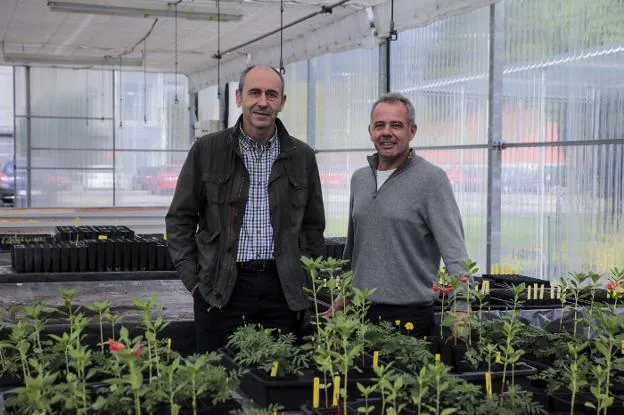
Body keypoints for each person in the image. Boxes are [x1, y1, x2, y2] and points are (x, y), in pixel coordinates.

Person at [166, 65, 326, 352]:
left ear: (282, 102)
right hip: (220, 288)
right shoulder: (207, 150)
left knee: (278, 374)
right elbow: (180, 219)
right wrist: (194, 282)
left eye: (271, 94)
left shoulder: (302, 157)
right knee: (218, 379)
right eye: (255, 92)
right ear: (239, 97)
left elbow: (313, 227)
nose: (263, 102)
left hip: (283, 291)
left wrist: (303, 280)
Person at [333, 92, 469, 337]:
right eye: (379, 125)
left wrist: (461, 309)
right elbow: (353, 247)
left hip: (409, 317)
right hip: (359, 313)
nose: (387, 132)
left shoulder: (431, 180)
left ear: (412, 131)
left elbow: (455, 252)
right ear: (370, 131)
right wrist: (344, 293)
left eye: (396, 125)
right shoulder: (360, 179)